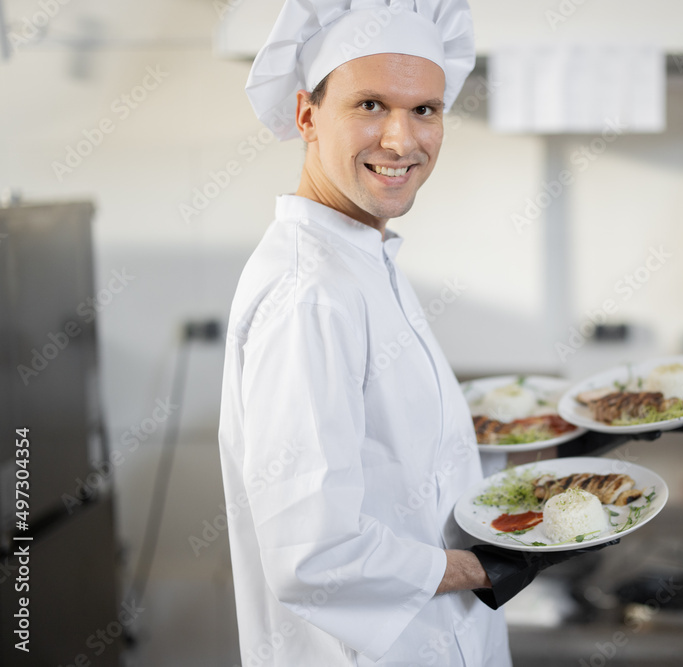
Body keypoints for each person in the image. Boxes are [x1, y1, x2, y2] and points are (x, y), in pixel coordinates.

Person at [217, 1, 511, 664]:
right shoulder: (309, 294)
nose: (402, 141)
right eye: (371, 104)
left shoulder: (359, 255)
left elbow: (399, 459)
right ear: (306, 115)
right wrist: (487, 566)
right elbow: (313, 554)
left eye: (425, 109)